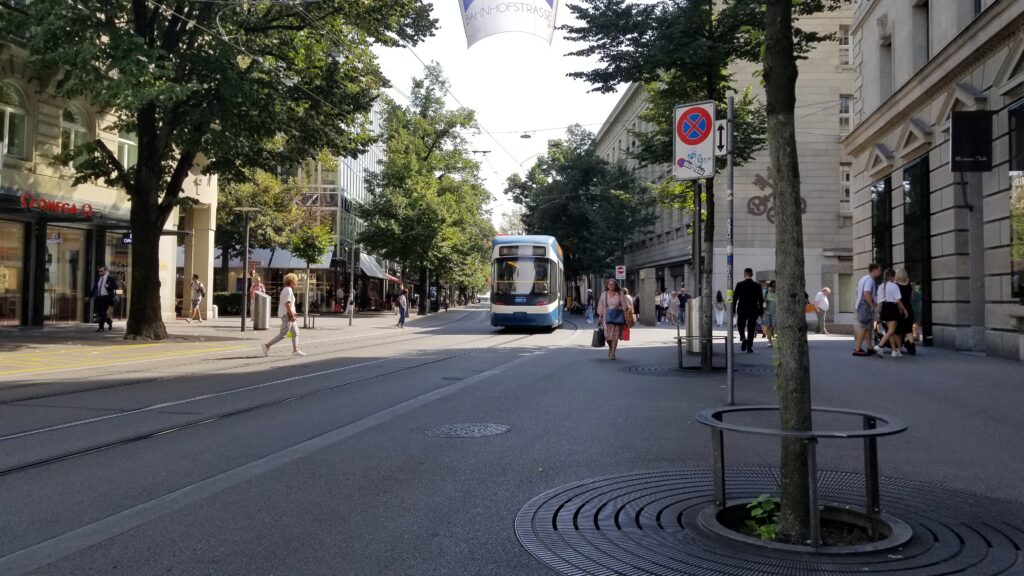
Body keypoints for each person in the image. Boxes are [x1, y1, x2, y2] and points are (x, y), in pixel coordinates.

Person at [263, 273, 305, 357]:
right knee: (283, 334)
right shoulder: (288, 290)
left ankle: (295, 350)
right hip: (287, 315)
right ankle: (267, 346)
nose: (296, 282)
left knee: (295, 332)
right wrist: (292, 315)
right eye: (295, 281)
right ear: (291, 281)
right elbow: (287, 304)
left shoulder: (286, 290)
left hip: (288, 314)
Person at [874, 269, 908, 358]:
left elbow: (879, 302)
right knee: (892, 330)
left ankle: (894, 351)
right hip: (892, 308)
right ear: (892, 276)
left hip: (884, 308)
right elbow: (898, 300)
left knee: (890, 330)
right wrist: (904, 310)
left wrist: (878, 314)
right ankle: (880, 345)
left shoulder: (881, 286)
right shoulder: (894, 286)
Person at [853, 263, 882, 356]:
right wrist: (872, 305)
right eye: (879, 270)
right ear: (874, 270)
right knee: (865, 327)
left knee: (868, 327)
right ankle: (857, 349)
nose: (880, 272)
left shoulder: (864, 278)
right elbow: (866, 293)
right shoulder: (870, 280)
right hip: (865, 305)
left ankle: (870, 347)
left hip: (860, 305)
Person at [597, 279, 630, 360]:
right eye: (609, 284)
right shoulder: (604, 294)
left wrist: (626, 317)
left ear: (615, 285)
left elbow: (624, 306)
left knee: (614, 336)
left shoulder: (620, 294)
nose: (611, 286)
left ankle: (613, 353)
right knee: (607, 336)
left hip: (617, 317)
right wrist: (600, 316)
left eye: (613, 284)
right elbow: (601, 305)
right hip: (606, 317)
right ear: (607, 285)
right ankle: (610, 347)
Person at [733, 268, 764, 353]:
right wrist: (761, 310)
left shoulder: (739, 285)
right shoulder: (757, 286)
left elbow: (735, 298)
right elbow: (761, 300)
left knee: (740, 325)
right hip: (753, 309)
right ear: (752, 274)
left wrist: (733, 310)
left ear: (744, 274)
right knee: (751, 328)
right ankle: (749, 346)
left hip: (742, 309)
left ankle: (743, 338)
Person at [90, 265, 118, 332]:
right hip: (99, 297)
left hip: (106, 297)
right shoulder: (99, 278)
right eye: (99, 271)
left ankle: (101, 327)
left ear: (105, 271)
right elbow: (94, 288)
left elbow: (116, 287)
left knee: (103, 312)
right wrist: (89, 297)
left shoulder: (110, 278)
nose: (100, 273)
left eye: (101, 271)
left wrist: (108, 286)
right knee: (99, 313)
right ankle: (109, 321)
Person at [895, 269, 916, 355]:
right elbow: (911, 298)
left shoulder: (895, 286)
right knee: (908, 329)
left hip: (899, 310)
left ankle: (899, 348)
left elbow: (896, 299)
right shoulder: (909, 285)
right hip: (909, 308)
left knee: (898, 330)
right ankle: (912, 346)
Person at [763, 281, 778, 346]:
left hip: (776, 312)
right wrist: (764, 301)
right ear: (770, 286)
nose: (774, 287)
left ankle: (775, 340)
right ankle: (770, 341)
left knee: (775, 326)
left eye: (775, 286)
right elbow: (761, 301)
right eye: (772, 286)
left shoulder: (778, 293)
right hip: (767, 312)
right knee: (768, 327)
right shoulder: (766, 292)